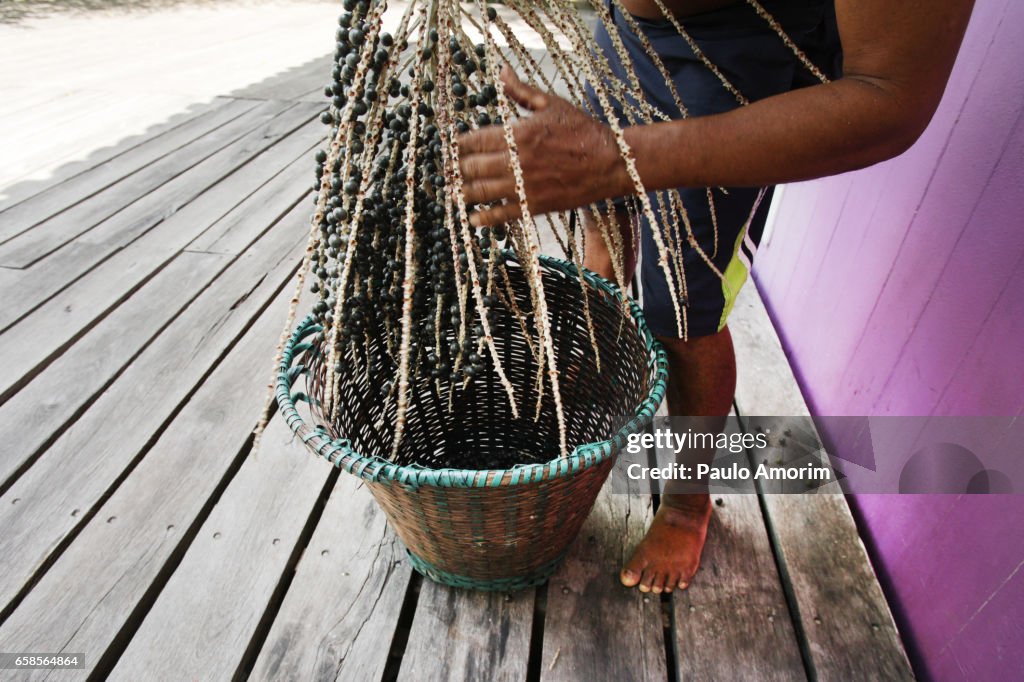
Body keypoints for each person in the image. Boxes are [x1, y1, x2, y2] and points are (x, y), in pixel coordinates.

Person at [457, 0, 974, 594]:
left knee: (681, 313)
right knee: (602, 226)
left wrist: (623, 159)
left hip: (728, 64)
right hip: (627, 33)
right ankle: (589, 398)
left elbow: (890, 100)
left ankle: (686, 503)